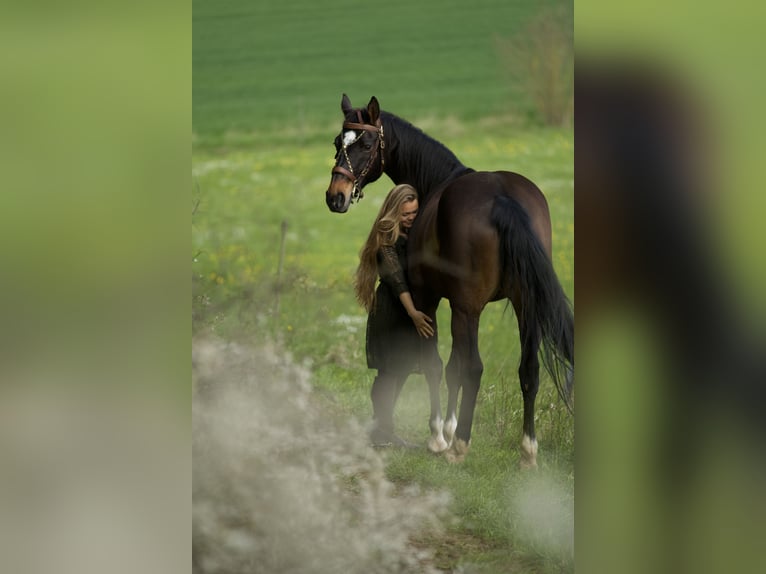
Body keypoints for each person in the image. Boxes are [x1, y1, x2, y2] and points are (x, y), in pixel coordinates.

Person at [354, 184, 434, 446]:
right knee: (388, 372)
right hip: (391, 312)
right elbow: (396, 280)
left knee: (398, 371)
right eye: (405, 214)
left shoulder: (412, 236)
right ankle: (381, 431)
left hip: (405, 315)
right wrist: (413, 313)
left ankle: (383, 430)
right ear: (393, 212)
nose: (411, 218)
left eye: (414, 213)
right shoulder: (386, 237)